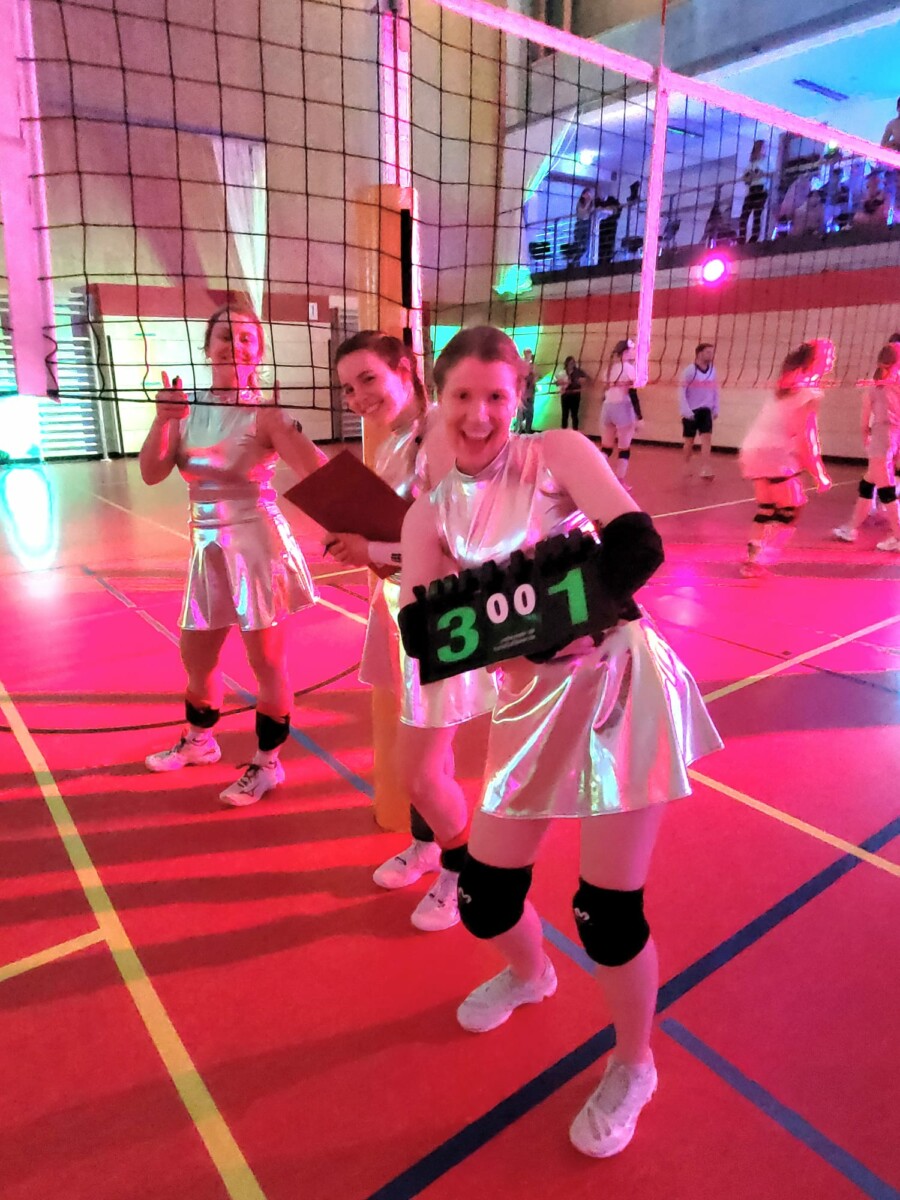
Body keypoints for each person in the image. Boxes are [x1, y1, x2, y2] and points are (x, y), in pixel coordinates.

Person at [399, 326, 722, 1159]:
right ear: (439, 397)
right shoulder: (427, 512)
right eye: (462, 396)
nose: (479, 415)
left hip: (616, 682)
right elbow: (430, 632)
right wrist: (483, 622)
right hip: (528, 704)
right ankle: (531, 973)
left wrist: (570, 613)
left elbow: (637, 544)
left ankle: (635, 1063)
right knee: (484, 898)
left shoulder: (557, 454)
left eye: (496, 396)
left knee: (605, 914)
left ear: (520, 398)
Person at [331, 332, 496, 930]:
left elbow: (456, 543)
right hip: (401, 607)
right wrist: (364, 544)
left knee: (420, 768)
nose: (358, 397)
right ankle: (429, 847)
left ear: (405, 370)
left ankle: (463, 869)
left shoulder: (439, 439)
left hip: (443, 615)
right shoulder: (394, 441)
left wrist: (371, 549)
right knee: (427, 756)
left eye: (368, 379)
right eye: (348, 388)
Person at [141, 304, 325, 804]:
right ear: (207, 347)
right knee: (196, 656)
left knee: (266, 661)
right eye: (225, 336)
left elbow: (316, 471)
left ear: (259, 352)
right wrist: (163, 419)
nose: (235, 346)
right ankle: (199, 741)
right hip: (206, 546)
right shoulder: (186, 407)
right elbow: (152, 473)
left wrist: (288, 427)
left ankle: (268, 763)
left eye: (247, 338)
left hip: (257, 546)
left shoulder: (265, 412)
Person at [738, 339, 834, 577]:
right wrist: (818, 473)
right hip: (775, 452)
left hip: (752, 449)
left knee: (767, 509)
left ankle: (752, 560)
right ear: (815, 361)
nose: (832, 359)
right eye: (828, 355)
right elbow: (806, 436)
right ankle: (761, 560)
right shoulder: (809, 392)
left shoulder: (787, 382)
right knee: (792, 509)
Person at [832, 343, 900, 552]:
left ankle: (898, 536)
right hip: (894, 436)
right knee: (868, 484)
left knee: (886, 490)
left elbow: (864, 423)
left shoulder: (875, 387)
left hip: (882, 436)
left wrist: (866, 440)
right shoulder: (888, 384)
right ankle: (851, 528)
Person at [598, 339, 639, 486]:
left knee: (606, 448)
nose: (634, 352)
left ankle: (594, 474)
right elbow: (633, 393)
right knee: (624, 448)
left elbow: (604, 392)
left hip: (607, 408)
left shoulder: (608, 369)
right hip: (622, 408)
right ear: (626, 352)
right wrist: (640, 417)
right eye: (632, 350)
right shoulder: (629, 369)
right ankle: (620, 482)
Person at [680, 343, 719, 478]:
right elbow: (681, 392)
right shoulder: (689, 371)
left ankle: (706, 468)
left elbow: (715, 390)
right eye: (708, 352)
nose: (711, 355)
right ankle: (686, 465)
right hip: (691, 410)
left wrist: (715, 407)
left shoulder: (712, 370)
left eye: (712, 352)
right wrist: (685, 410)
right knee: (689, 440)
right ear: (699, 353)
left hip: (705, 409)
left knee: (707, 439)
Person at [738, 139, 769, 244]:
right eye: (762, 147)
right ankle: (741, 237)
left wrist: (759, 174)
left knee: (757, 214)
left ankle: (754, 237)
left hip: (761, 189)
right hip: (751, 190)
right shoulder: (750, 163)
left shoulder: (767, 161)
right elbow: (745, 178)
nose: (763, 149)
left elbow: (771, 173)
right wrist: (751, 176)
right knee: (744, 215)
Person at [558, 356, 589, 430]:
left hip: (575, 394)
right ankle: (563, 431)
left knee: (574, 414)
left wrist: (580, 380)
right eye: (570, 363)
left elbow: (585, 379)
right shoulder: (563, 372)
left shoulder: (578, 372)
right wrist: (563, 382)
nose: (572, 364)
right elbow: (556, 382)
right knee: (564, 414)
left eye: (573, 363)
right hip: (565, 394)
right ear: (567, 363)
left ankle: (575, 431)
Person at [516, 349, 537, 434]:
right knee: (520, 415)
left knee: (529, 415)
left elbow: (534, 379)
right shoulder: (521, 366)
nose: (529, 356)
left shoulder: (532, 367)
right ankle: (518, 431)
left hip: (529, 394)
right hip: (523, 394)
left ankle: (526, 431)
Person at [573, 188, 594, 263]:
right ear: (583, 195)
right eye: (587, 194)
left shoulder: (592, 205)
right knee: (578, 244)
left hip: (587, 225)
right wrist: (588, 203)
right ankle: (575, 261)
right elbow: (582, 213)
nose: (588, 196)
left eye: (589, 194)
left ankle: (576, 260)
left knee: (585, 246)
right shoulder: (580, 203)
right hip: (580, 224)